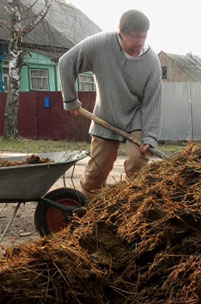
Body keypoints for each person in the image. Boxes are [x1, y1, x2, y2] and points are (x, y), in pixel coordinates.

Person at [58, 9, 162, 198]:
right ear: (120, 33)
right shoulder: (101, 44)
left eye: (144, 36)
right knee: (97, 171)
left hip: (136, 118)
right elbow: (66, 62)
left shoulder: (152, 62)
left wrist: (150, 138)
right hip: (105, 115)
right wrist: (70, 99)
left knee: (138, 163)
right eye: (135, 36)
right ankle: (92, 209)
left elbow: (152, 103)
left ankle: (137, 207)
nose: (140, 42)